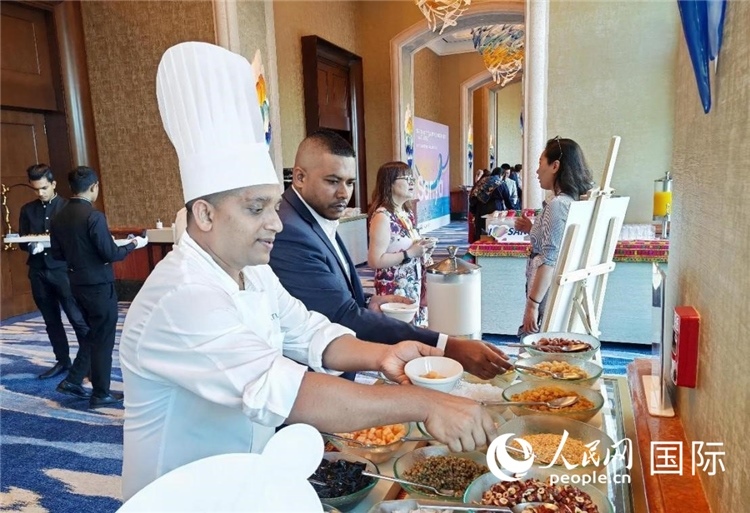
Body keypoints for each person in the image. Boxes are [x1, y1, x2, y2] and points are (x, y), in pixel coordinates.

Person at [120, 41, 497, 501]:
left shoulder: (252, 271)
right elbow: (287, 391)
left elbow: (311, 332)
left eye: (273, 206)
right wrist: (426, 403)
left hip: (245, 476)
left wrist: (383, 356)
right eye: (256, 208)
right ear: (204, 214)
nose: (276, 223)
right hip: (180, 496)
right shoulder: (183, 296)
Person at [270, 130, 511, 380]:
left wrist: (367, 301)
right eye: (332, 181)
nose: (344, 193)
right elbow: (341, 315)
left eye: (350, 183)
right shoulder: (289, 232)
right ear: (299, 177)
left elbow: (323, 294)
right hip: (312, 377)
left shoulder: (313, 216)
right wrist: (448, 346)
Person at [50, 166, 147, 408]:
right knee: (103, 338)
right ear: (94, 187)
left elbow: (58, 254)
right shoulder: (94, 216)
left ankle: (73, 380)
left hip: (75, 283)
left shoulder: (58, 217)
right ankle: (100, 393)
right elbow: (110, 253)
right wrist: (134, 244)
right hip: (99, 286)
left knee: (93, 334)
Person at [514, 137, 593, 335]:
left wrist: (532, 305)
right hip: (559, 294)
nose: (537, 171)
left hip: (547, 298)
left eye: (540, 162)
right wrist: (533, 228)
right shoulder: (573, 202)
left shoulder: (558, 205)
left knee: (537, 346)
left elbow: (549, 260)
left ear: (555, 166)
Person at [18, 164, 90, 379]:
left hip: (63, 271)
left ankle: (88, 362)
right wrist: (32, 246)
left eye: (44, 188)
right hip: (38, 271)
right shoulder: (27, 210)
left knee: (77, 318)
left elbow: (76, 240)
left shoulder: (67, 208)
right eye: (36, 189)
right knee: (51, 321)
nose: (40, 193)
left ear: (54, 184)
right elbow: (23, 241)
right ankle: (62, 360)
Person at [367, 161, 433, 327]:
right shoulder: (382, 216)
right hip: (393, 287)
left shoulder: (406, 212)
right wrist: (409, 253)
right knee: (398, 331)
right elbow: (375, 261)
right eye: (406, 179)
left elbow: (407, 245)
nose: (412, 183)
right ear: (389, 183)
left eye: (412, 179)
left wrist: (423, 248)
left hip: (412, 282)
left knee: (414, 328)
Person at [470, 167, 513, 241]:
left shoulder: (482, 181)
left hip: (480, 209)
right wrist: (512, 209)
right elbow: (507, 199)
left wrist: (473, 210)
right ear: (501, 175)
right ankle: (492, 244)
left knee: (481, 230)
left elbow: (473, 195)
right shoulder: (500, 183)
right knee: (493, 231)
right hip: (495, 209)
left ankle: (480, 244)